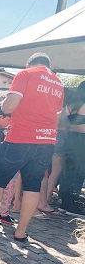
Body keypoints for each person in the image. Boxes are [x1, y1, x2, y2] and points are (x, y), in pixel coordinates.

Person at [0, 53, 64, 241]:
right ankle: (21, 231)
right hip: (46, 140)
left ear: (29, 64)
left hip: (21, 137)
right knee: (32, 186)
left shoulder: (25, 74)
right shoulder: (58, 83)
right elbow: (57, 117)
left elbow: (9, 107)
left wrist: (4, 105)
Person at [58, 81, 85, 216]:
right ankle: (70, 204)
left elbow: (61, 117)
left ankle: (64, 201)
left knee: (68, 171)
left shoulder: (73, 104)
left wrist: (68, 127)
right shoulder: (83, 104)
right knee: (77, 172)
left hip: (70, 140)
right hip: (80, 142)